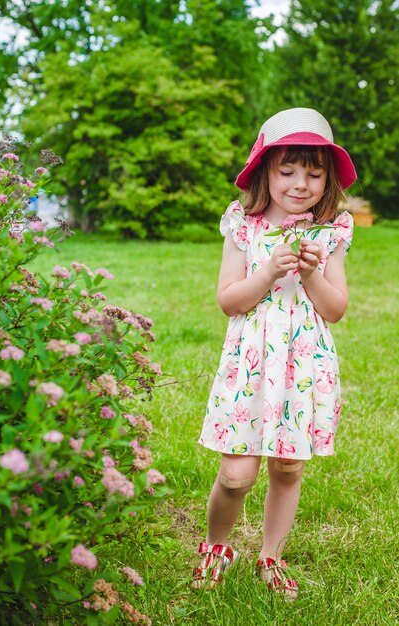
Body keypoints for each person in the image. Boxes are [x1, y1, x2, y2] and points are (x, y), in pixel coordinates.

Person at [193, 108, 357, 598]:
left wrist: (309, 273)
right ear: (265, 169)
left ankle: (272, 555)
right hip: (251, 361)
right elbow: (229, 299)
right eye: (287, 170)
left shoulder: (333, 229)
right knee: (236, 474)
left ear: (328, 177)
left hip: (303, 361)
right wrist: (266, 275)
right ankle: (216, 547)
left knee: (288, 466)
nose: (300, 183)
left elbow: (335, 309)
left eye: (314, 171)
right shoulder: (243, 224)